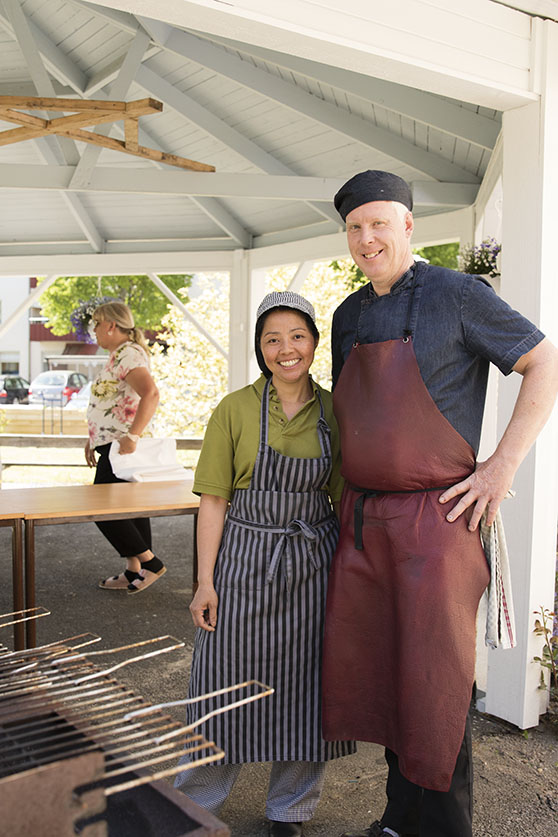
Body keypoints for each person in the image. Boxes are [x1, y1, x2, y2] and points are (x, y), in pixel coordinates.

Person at [321, 170, 558, 837]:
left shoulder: (457, 294)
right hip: (365, 521)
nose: (367, 239)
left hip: (438, 520)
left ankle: (447, 829)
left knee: (436, 685)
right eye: (354, 227)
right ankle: (401, 819)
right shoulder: (347, 315)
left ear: (407, 226)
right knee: (385, 674)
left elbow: (546, 363)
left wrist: (501, 465)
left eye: (379, 223)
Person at [174, 291, 354, 837]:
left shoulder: (335, 410)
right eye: (271, 339)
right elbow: (213, 501)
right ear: (260, 348)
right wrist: (205, 582)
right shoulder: (233, 409)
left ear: (315, 343)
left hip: (314, 561)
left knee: (307, 686)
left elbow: (345, 497)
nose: (285, 349)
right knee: (221, 682)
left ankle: (290, 811)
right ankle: (194, 804)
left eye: (297, 336)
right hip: (244, 558)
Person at [85, 301, 164, 594]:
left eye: (96, 324)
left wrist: (133, 436)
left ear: (111, 325)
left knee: (102, 508)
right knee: (130, 509)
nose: (93, 330)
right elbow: (110, 403)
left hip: (123, 447)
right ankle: (135, 570)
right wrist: (92, 439)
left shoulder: (128, 354)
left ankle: (150, 563)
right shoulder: (118, 355)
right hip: (111, 444)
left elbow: (151, 394)